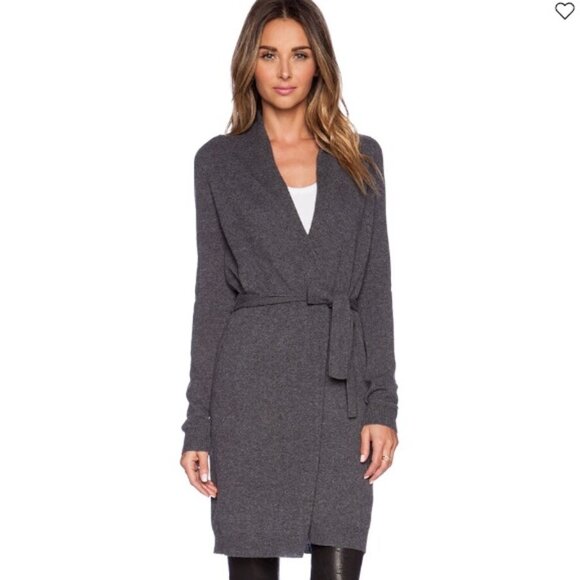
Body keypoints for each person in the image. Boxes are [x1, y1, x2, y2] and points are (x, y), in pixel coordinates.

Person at [179, 1, 399, 578]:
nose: (283, 71)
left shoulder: (361, 158)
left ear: (318, 62)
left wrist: (383, 404)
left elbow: (375, 290)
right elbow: (212, 296)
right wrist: (198, 422)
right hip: (250, 395)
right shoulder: (219, 163)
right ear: (248, 63)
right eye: (268, 54)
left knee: (340, 549)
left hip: (339, 394)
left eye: (299, 55)